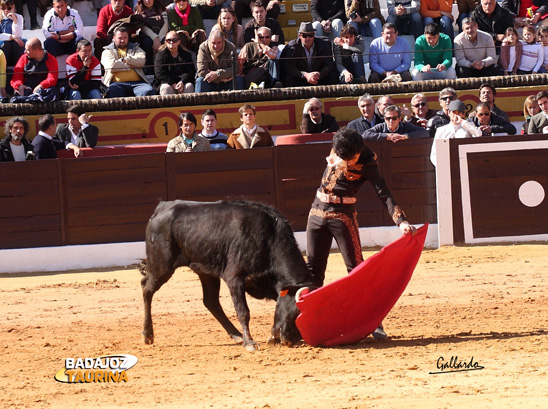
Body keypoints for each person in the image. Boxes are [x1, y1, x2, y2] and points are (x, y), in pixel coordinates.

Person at [305, 127, 415, 339]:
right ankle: (308, 321)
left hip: (342, 216)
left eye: (350, 158)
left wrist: (401, 221)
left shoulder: (367, 162)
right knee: (312, 270)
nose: (345, 160)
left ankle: (374, 322)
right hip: (317, 212)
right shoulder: (340, 145)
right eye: (341, 155)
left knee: (357, 269)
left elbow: (384, 193)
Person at [101, 26, 156, 98]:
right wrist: (131, 65)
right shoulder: (107, 51)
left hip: (138, 83)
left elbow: (141, 61)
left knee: (148, 91)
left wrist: (127, 60)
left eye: (125, 38)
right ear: (114, 38)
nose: (122, 40)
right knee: (112, 93)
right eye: (120, 38)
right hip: (116, 84)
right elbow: (111, 66)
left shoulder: (136, 48)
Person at [280, 22, 338, 87]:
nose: (308, 38)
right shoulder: (292, 47)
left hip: (319, 78)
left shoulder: (323, 44)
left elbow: (329, 64)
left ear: (314, 35)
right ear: (299, 36)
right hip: (300, 79)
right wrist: (305, 75)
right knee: (288, 79)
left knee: (333, 76)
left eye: (310, 35)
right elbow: (289, 67)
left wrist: (319, 74)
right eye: (304, 36)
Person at [430, 99, 482, 166]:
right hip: (445, 165)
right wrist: (441, 166)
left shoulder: (467, 126)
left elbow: (478, 134)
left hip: (465, 165)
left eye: (458, 113)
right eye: (454, 112)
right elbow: (434, 153)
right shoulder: (441, 130)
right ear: (449, 113)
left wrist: (463, 122)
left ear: (463, 114)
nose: (456, 115)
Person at [195, 27, 241, 92]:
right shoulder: (203, 48)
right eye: (213, 43)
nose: (216, 46)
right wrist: (219, 78)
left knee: (239, 79)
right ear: (209, 40)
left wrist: (218, 74)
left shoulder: (231, 47)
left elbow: (235, 69)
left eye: (219, 43)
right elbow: (201, 71)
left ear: (223, 41)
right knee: (200, 81)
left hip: (227, 82)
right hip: (210, 81)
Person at [153, 30, 195, 94]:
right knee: (166, 88)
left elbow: (190, 71)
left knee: (189, 86)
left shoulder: (186, 55)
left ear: (179, 41)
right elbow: (159, 73)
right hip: (167, 83)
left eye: (174, 40)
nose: (171, 42)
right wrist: (173, 84)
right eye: (168, 40)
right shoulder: (160, 55)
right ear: (165, 42)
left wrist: (182, 82)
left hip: (182, 83)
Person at [135, 0, 168, 75]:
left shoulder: (161, 9)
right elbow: (142, 27)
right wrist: (155, 38)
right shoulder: (139, 11)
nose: (147, 1)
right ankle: (150, 71)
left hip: (161, 34)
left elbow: (166, 25)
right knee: (147, 43)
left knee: (165, 44)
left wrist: (159, 39)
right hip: (147, 35)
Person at [363, 104, 429, 142]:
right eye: (388, 118)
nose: (391, 121)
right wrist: (386, 136)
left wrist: (405, 136)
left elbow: (424, 132)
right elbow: (365, 135)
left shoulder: (405, 126)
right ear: (385, 119)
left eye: (394, 118)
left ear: (399, 119)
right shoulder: (381, 127)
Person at [0, 0, 24, 67]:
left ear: (13, 7)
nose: (6, 11)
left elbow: (18, 35)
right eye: (3, 8)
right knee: (6, 44)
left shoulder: (19, 17)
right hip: (3, 43)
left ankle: (20, 69)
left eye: (9, 8)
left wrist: (15, 21)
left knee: (18, 44)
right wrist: (11, 36)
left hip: (14, 42)